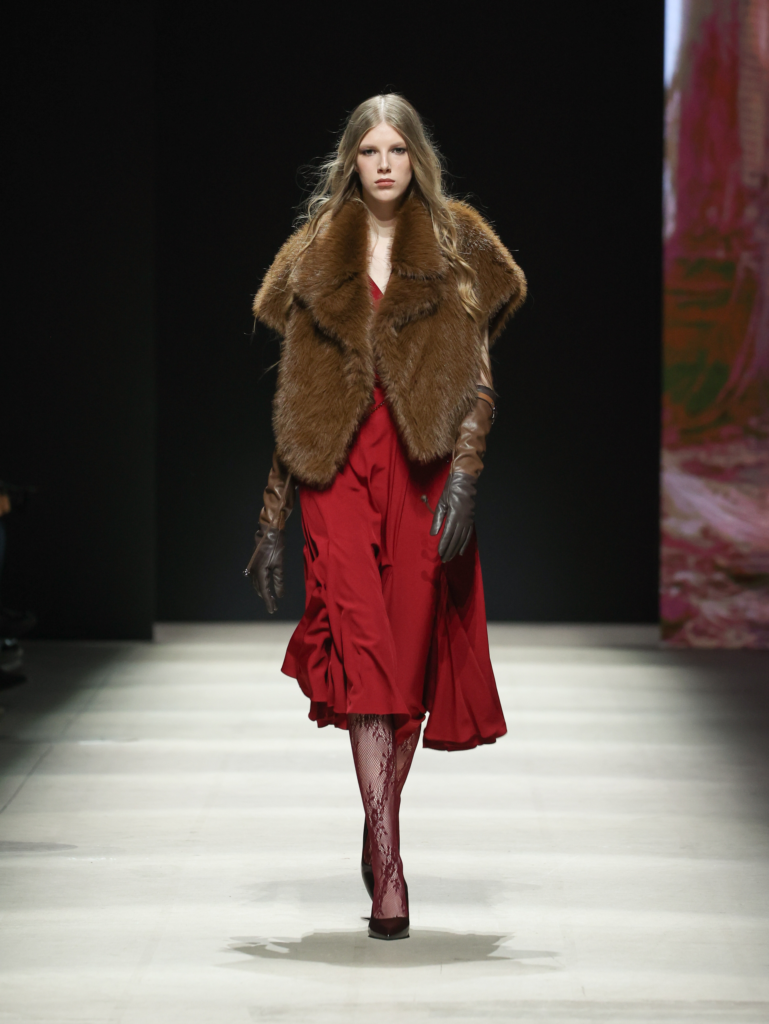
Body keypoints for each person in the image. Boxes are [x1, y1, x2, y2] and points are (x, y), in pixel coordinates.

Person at [245, 94, 526, 940]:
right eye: (368, 150)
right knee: (365, 653)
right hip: (336, 471)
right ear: (350, 161)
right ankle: (391, 869)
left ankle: (376, 823)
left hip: (420, 470)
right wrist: (269, 519)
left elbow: (478, 382)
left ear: (415, 159)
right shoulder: (312, 255)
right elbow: (297, 399)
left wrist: (466, 479)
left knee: (405, 661)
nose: (382, 164)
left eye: (396, 149)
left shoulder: (456, 244)